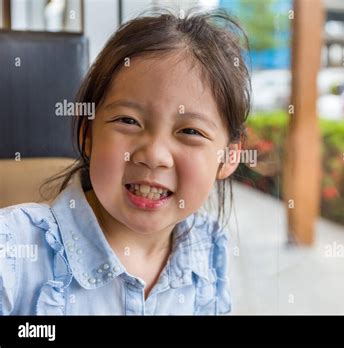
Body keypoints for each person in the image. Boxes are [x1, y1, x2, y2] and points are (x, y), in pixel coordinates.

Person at [0, 7, 251, 315]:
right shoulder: (13, 250)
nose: (154, 155)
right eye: (128, 121)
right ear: (87, 133)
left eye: (190, 131)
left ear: (228, 156)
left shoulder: (210, 247)